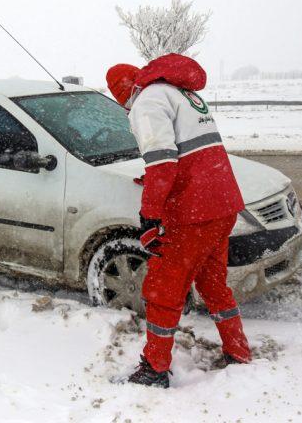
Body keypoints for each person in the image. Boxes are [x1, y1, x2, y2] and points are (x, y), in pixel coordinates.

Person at [106, 54, 251, 388]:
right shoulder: (181, 93)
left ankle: (154, 368)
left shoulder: (146, 102)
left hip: (193, 213)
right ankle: (238, 352)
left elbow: (163, 164)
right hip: (222, 204)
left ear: (124, 94)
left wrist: (150, 214)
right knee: (214, 286)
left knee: (163, 290)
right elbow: (191, 155)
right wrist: (158, 181)